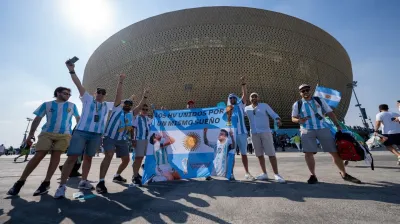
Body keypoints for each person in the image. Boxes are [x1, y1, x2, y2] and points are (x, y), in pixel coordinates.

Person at [54, 62, 121, 199]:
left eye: (103, 93)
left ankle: (84, 181)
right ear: (94, 93)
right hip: (81, 132)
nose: (101, 94)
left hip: (96, 135)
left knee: (88, 158)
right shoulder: (87, 99)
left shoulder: (106, 105)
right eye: (99, 92)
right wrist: (72, 71)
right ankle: (61, 186)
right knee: (72, 157)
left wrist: (120, 82)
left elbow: (118, 101)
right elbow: (78, 84)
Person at [8, 87, 80, 196]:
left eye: (69, 94)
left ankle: (46, 183)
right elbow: (37, 119)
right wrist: (31, 134)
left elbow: (78, 119)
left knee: (56, 157)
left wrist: (77, 134)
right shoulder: (47, 104)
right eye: (66, 93)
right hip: (47, 133)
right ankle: (20, 182)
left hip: (64, 135)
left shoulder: (72, 106)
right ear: (58, 93)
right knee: (38, 155)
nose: (68, 95)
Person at [291, 84, 361, 184]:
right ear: (300, 93)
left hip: (322, 128)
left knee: (334, 151)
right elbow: (293, 118)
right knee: (308, 153)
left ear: (310, 91)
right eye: (303, 91)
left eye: (307, 90)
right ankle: (313, 175)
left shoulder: (319, 100)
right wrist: (299, 120)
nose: (305, 92)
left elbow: (330, 112)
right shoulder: (297, 104)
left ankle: (344, 173)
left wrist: (337, 124)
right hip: (307, 130)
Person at [95, 79, 135, 194]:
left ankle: (117, 175)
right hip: (110, 137)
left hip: (122, 139)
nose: (127, 105)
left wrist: (144, 96)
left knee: (126, 160)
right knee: (109, 155)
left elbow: (138, 108)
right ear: (122, 104)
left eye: (129, 104)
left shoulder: (130, 114)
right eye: (126, 103)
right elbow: (118, 94)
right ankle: (101, 182)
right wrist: (121, 81)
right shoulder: (117, 108)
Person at [244, 93, 285, 183]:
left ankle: (276, 174)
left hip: (265, 132)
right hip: (254, 133)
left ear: (258, 98)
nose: (254, 98)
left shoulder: (264, 106)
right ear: (249, 99)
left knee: (271, 153)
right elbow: (239, 115)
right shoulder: (247, 108)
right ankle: (264, 173)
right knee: (259, 154)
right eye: (252, 96)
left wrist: (277, 119)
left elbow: (273, 114)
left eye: (255, 96)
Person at [227, 76, 255, 180]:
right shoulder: (227, 109)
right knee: (232, 155)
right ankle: (231, 173)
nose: (232, 99)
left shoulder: (240, 105)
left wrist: (243, 84)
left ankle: (247, 173)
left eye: (234, 98)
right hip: (232, 134)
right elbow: (226, 122)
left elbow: (244, 95)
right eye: (231, 98)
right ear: (229, 100)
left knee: (244, 153)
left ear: (236, 99)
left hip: (242, 133)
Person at [131, 102, 153, 187]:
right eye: (143, 109)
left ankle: (139, 173)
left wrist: (161, 113)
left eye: (146, 110)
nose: (144, 111)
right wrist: (133, 139)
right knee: (138, 158)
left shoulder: (148, 119)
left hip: (147, 140)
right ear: (140, 110)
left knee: (144, 158)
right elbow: (132, 129)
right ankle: (135, 176)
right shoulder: (136, 118)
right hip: (139, 140)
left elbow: (156, 122)